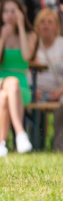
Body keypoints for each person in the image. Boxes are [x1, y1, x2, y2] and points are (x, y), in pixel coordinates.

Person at [0, 0, 36, 157]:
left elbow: (27, 55)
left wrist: (20, 27)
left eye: (13, 11)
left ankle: (1, 144)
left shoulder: (30, 34)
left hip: (22, 85)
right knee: (9, 84)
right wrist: (2, 38)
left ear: (20, 13)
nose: (9, 15)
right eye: (5, 11)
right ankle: (20, 133)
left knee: (5, 95)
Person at [33, 8, 63, 152]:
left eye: (50, 22)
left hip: (59, 91)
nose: (46, 25)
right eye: (42, 22)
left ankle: (59, 146)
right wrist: (34, 91)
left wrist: (58, 92)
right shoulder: (31, 44)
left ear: (56, 27)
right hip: (35, 90)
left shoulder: (61, 44)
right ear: (37, 26)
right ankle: (35, 146)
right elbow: (25, 70)